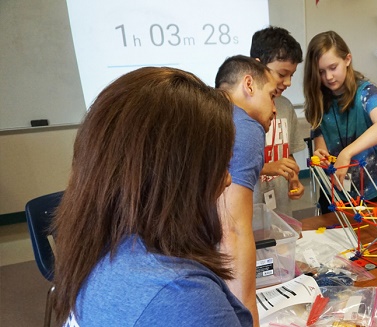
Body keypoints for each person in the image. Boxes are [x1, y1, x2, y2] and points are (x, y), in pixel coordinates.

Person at [51, 67, 253, 326]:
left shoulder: (98, 246)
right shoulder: (182, 297)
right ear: (173, 175)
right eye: (218, 165)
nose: (226, 180)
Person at [215, 54, 278, 327]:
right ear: (249, 85)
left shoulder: (211, 115)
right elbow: (233, 229)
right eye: (272, 95)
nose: (275, 108)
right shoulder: (247, 127)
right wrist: (249, 319)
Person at [303, 30, 377, 213]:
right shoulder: (318, 98)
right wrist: (320, 154)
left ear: (347, 60)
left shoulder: (366, 92)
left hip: (371, 194)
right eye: (321, 72)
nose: (328, 77)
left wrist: (346, 153)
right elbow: (319, 139)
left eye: (333, 67)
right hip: (333, 196)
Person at [250, 26, 306, 217]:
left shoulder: (285, 106)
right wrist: (266, 168)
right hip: (250, 214)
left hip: (281, 210)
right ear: (258, 66)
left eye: (291, 75)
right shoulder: (239, 113)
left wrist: (293, 178)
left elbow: (286, 153)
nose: (288, 82)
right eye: (282, 74)